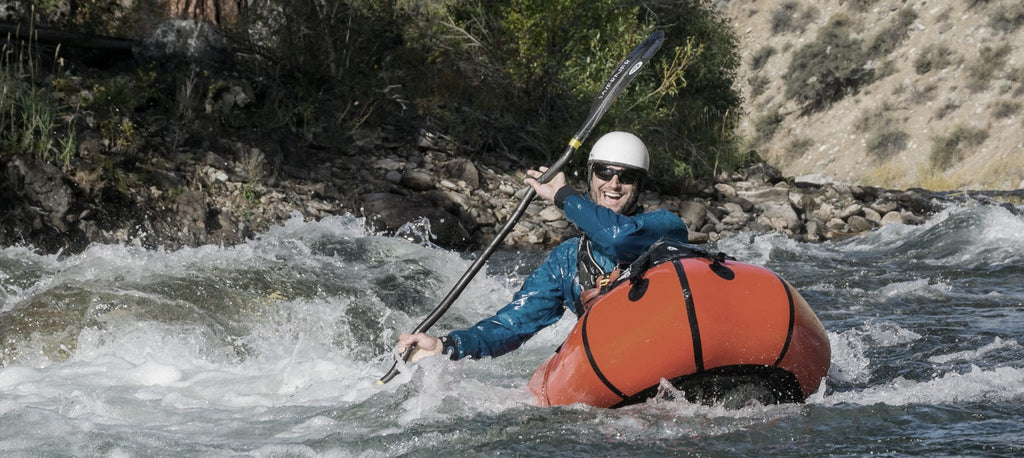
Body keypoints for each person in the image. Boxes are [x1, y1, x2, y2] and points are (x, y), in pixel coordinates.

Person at [396, 131, 689, 362]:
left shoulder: (665, 226)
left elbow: (617, 237)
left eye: (626, 177)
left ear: (639, 185)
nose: (613, 183)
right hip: (613, 362)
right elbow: (512, 325)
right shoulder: (566, 260)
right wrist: (446, 345)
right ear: (591, 177)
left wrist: (563, 196)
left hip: (668, 345)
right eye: (604, 172)